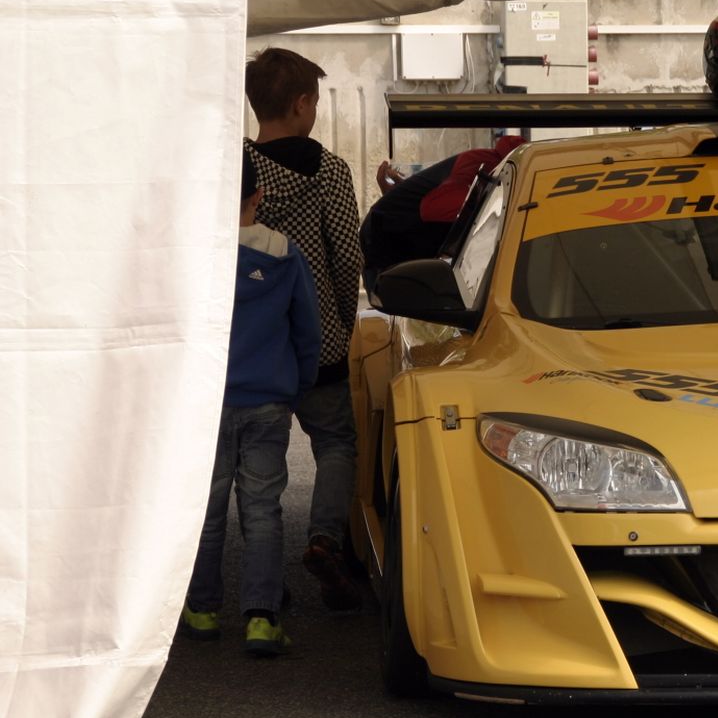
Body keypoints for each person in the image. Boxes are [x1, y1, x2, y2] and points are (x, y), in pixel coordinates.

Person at [181, 153, 321, 656]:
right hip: (268, 402)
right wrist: (295, 389)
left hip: (206, 405)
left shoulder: (194, 256)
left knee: (207, 511)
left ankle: (201, 610)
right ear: (258, 195)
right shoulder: (285, 253)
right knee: (262, 509)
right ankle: (262, 619)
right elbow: (307, 333)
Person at [243, 47, 365, 610]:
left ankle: (265, 577)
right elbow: (346, 258)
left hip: (256, 343)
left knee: (257, 468)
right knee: (336, 442)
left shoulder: (240, 171)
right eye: (314, 101)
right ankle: (324, 539)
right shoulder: (331, 172)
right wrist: (341, 321)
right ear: (300, 104)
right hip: (320, 341)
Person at [360, 135, 524, 297]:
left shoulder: (493, 164)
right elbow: (439, 210)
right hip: (383, 236)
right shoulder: (488, 166)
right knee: (396, 301)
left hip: (401, 228)